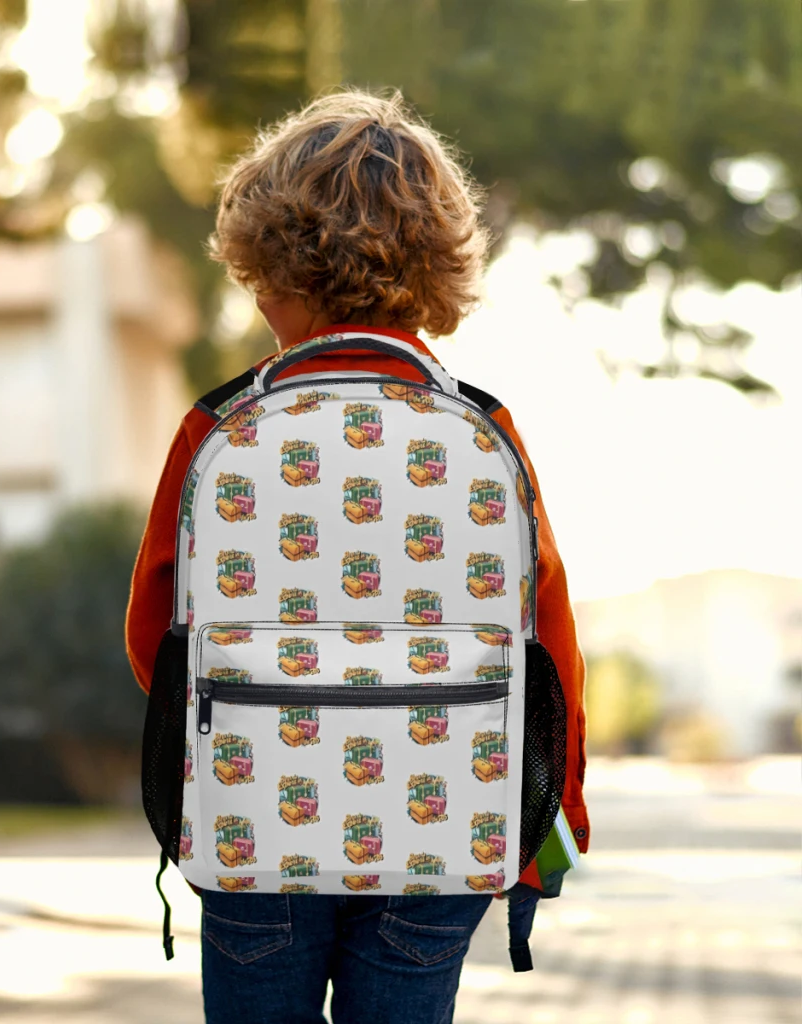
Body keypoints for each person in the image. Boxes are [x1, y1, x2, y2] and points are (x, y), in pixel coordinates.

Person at [127, 88, 588, 1024]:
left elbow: (154, 637)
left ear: (271, 269)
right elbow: (548, 640)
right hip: (439, 831)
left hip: (259, 829)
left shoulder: (220, 427)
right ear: (438, 268)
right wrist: (555, 815)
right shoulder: (483, 428)